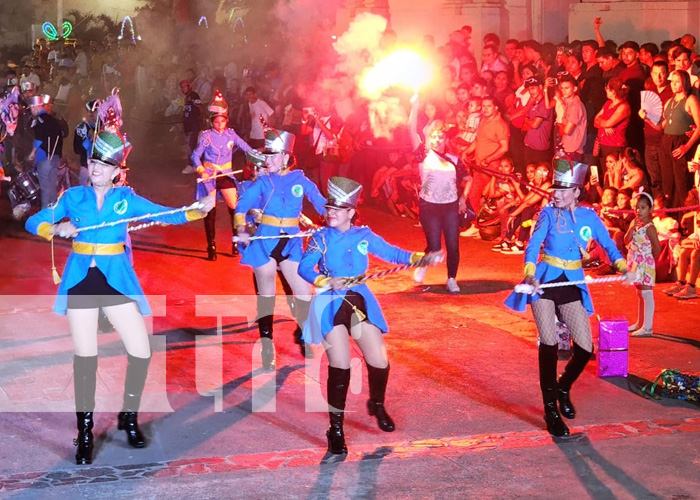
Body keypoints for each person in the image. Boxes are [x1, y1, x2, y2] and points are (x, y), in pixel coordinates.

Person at [24, 127, 215, 465]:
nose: (95, 169)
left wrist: (197, 209)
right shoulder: (73, 197)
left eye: (103, 165)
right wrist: (55, 228)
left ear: (116, 171)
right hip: (82, 279)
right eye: (93, 162)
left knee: (140, 350)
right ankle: (84, 431)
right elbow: (34, 221)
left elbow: (164, 214)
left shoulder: (126, 198)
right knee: (86, 356)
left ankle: (129, 414)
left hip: (116, 280)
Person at [298, 176, 442, 454]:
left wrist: (421, 257)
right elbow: (305, 268)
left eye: (337, 210)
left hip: (359, 300)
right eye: (329, 208)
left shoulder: (364, 236)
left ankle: (376, 403)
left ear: (351, 212)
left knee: (379, 360)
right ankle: (335, 429)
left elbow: (393, 254)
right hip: (329, 302)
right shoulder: (320, 238)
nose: (330, 213)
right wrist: (324, 281)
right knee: (339, 365)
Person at [505, 155, 629, 437]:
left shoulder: (589, 216)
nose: (556, 195)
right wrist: (529, 273)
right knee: (548, 342)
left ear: (576, 191)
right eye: (554, 190)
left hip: (572, 282)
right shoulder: (547, 213)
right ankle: (550, 409)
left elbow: (608, 244)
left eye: (562, 190)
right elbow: (533, 244)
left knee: (585, 348)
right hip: (545, 282)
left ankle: (562, 388)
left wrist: (622, 266)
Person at [235, 128, 326, 368]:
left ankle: (304, 332)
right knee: (267, 297)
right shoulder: (264, 181)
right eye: (266, 155)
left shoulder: (300, 180)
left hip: (292, 243)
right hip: (265, 242)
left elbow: (319, 202)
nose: (268, 160)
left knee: (305, 293)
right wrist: (241, 228)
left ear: (286, 157)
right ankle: (267, 345)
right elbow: (241, 205)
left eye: (273, 155)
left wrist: (337, 215)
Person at [409, 95, 468, 293]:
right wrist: (415, 105)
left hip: (450, 206)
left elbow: (469, 179)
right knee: (434, 245)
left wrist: (463, 199)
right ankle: (424, 264)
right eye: (433, 137)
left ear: (445, 139)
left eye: (440, 137)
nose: (437, 140)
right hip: (429, 206)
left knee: (453, 244)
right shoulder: (422, 154)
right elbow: (411, 128)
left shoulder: (454, 159)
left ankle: (452, 278)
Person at [192, 91, 253, 260]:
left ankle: (235, 241)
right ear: (211, 121)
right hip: (210, 175)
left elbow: (246, 147)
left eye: (222, 121)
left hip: (226, 174)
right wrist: (202, 170)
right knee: (210, 209)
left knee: (234, 206)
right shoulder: (206, 136)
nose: (220, 124)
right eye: (216, 121)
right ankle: (211, 245)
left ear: (226, 120)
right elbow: (195, 156)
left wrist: (260, 156)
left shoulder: (231, 134)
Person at [658, 70, 700, 208]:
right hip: (666, 142)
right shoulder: (669, 101)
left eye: (677, 81)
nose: (673, 84)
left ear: (684, 82)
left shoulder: (690, 100)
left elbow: (699, 127)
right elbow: (662, 126)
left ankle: (685, 218)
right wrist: (647, 118)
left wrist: (687, 146)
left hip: (681, 142)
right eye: (672, 81)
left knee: (681, 182)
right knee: (668, 183)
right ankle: (671, 215)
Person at [624, 192, 660, 337]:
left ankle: (648, 327)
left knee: (646, 292)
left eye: (643, 207)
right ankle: (640, 322)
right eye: (637, 207)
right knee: (639, 292)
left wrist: (648, 260)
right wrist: (631, 228)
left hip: (644, 263)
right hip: (635, 262)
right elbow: (626, 241)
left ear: (650, 209)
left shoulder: (650, 227)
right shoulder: (635, 224)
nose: (639, 211)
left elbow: (657, 247)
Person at [27, 94, 68, 208]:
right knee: (52, 190)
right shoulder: (54, 120)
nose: (31, 111)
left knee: (45, 190)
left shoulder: (39, 121)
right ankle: (54, 216)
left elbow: (39, 140)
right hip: (55, 158)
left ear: (35, 107)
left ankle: (45, 219)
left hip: (45, 159)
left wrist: (32, 154)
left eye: (31, 108)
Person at [594, 77, 630, 178]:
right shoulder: (608, 103)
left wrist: (604, 123)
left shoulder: (623, 106)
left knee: (616, 174)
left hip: (615, 145)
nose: (605, 90)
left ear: (613, 91)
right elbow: (595, 121)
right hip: (603, 143)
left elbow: (608, 123)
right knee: (606, 174)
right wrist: (604, 125)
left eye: (608, 88)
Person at [73, 99, 99, 187]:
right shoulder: (82, 128)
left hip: (99, 169)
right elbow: (77, 150)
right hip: (89, 168)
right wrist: (87, 140)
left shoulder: (105, 128)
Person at [180, 80, 203, 174]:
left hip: (194, 125)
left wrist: (203, 119)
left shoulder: (194, 96)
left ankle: (192, 165)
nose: (183, 89)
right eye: (181, 87)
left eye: (184, 86)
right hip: (188, 126)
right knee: (189, 145)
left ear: (189, 86)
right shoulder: (186, 98)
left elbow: (200, 107)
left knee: (191, 145)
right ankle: (194, 164)